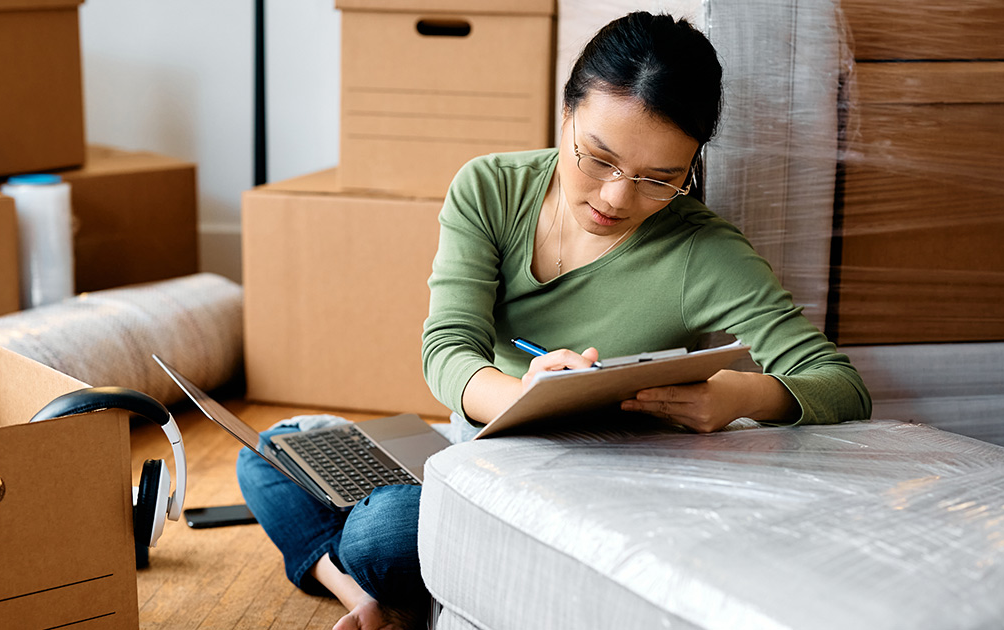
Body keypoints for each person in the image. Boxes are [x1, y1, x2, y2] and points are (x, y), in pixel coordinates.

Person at [238, 11, 872, 630]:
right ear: (564, 112)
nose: (617, 198)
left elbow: (841, 385)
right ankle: (356, 588)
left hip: (587, 486)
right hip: (477, 449)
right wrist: (523, 397)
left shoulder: (701, 252)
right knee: (267, 452)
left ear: (692, 163)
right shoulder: (490, 187)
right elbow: (447, 348)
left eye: (661, 179)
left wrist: (738, 395)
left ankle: (367, 557)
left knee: (385, 533)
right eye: (597, 158)